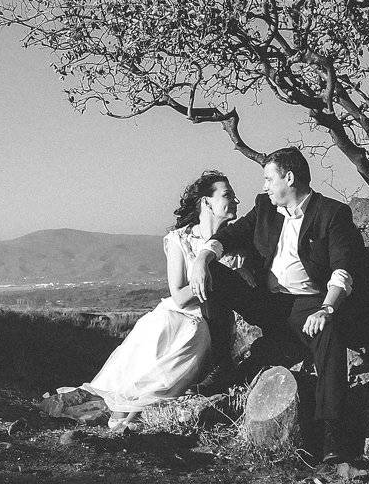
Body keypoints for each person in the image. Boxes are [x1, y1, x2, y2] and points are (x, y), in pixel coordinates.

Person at [188, 146, 363, 462]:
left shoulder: (332, 213)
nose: (265, 186)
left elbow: (343, 269)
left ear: (290, 178)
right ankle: (223, 365)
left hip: (307, 305)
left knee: (329, 334)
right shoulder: (264, 208)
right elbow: (231, 235)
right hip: (266, 302)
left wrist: (327, 308)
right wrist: (203, 257)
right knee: (212, 274)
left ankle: (332, 438)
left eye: (269, 179)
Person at [48, 171, 239, 431]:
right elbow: (179, 296)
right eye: (227, 195)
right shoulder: (180, 239)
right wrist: (211, 277)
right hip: (178, 311)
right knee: (164, 327)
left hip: (208, 320)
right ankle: (124, 409)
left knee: (192, 335)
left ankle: (133, 414)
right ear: (206, 202)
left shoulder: (235, 240)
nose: (235, 200)